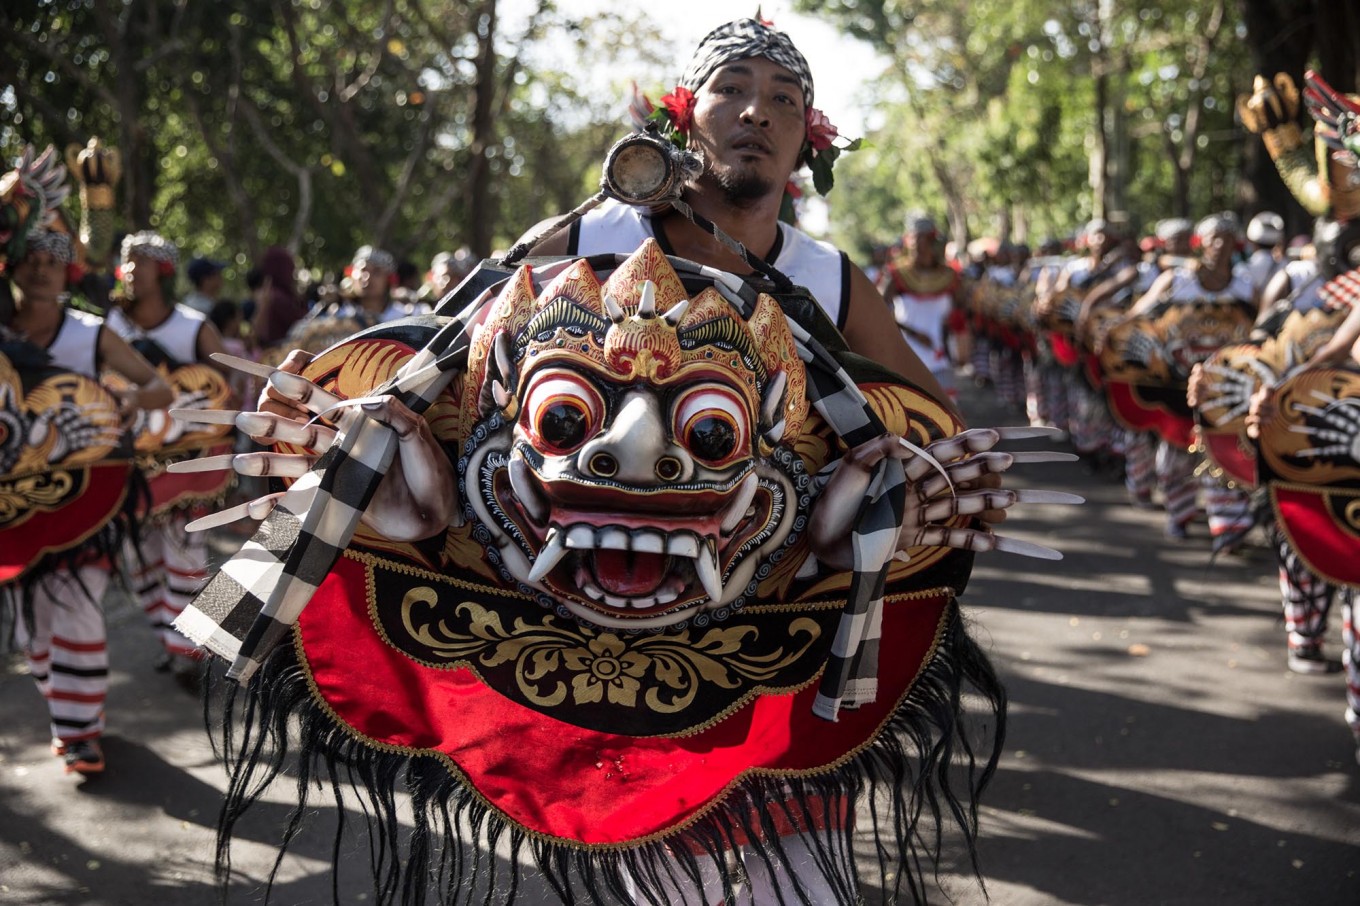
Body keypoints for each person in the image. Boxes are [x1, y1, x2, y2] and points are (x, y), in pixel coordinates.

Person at [3, 223, 173, 774]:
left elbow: (159, 388)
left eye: (53, 261)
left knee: (76, 606)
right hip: (15, 504)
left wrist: (126, 401)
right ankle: (67, 714)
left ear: (67, 272)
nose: (41, 269)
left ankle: (80, 733)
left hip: (87, 500)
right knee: (32, 625)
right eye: (30, 258)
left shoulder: (90, 334)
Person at [106, 231, 231, 679]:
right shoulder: (109, 326)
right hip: (131, 467)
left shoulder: (193, 326)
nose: (131, 272)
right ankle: (170, 640)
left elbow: (226, 391)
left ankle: (190, 651)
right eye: (127, 263)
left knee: (187, 558)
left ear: (163, 271)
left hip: (187, 465)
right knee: (143, 565)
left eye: (140, 263)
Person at [877, 213, 963, 401]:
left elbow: (962, 313)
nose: (919, 245)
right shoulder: (896, 275)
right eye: (916, 239)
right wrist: (913, 333)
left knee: (948, 416)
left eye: (925, 239)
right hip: (907, 359)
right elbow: (879, 313)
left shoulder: (950, 276)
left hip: (942, 359)